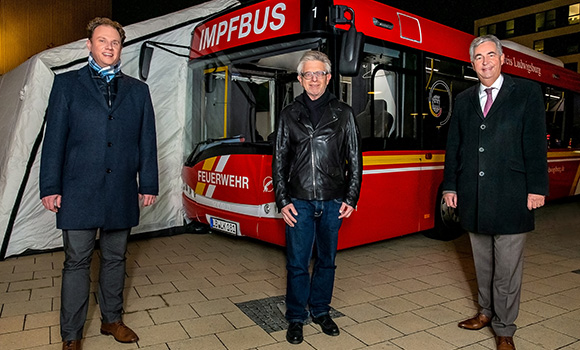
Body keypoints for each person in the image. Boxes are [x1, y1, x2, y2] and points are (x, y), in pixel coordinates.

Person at [39, 17, 158, 350]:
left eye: (115, 42)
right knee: (76, 261)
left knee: (115, 258)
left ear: (121, 48)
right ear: (88, 45)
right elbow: (54, 140)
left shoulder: (138, 91)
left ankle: (111, 320)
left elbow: (146, 140)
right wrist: (50, 186)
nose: (109, 47)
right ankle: (72, 335)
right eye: (102, 40)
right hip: (78, 188)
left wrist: (148, 183)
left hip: (120, 188)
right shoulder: (66, 85)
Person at [442, 35, 548, 350]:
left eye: (491, 55)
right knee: (483, 263)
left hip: (513, 193)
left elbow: (535, 144)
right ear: (472, 64)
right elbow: (455, 147)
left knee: (507, 268)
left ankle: (505, 328)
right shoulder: (463, 100)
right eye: (478, 57)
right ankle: (485, 313)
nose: (485, 62)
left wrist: (537, 188)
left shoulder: (526, 93)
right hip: (474, 193)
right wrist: (450, 185)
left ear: (502, 59)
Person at [272, 51, 362, 345]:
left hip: (334, 199)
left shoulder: (344, 113)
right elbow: (279, 159)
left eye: (319, 73)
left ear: (328, 77)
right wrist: (282, 200)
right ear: (299, 79)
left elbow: (355, 158)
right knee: (297, 263)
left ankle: (321, 311)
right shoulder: (289, 114)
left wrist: (352, 195)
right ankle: (296, 317)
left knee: (327, 261)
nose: (313, 79)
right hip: (298, 200)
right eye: (307, 74)